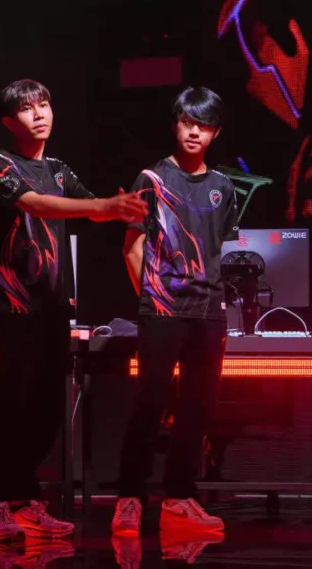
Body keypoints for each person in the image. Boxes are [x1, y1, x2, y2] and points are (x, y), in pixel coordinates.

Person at [0, 79, 149, 542]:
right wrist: (101, 205)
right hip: (13, 302)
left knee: (44, 409)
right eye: (27, 108)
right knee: (7, 404)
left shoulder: (58, 169)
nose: (39, 114)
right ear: (8, 121)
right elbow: (36, 205)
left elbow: (90, 209)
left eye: (44, 105)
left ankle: (25, 500)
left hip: (53, 304)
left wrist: (124, 210)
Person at [111, 86, 238, 538]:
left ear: (215, 132)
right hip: (162, 312)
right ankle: (129, 498)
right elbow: (132, 246)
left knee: (196, 411)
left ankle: (180, 500)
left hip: (209, 314)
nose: (194, 132)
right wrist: (154, 296)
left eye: (204, 125)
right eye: (187, 122)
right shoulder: (151, 178)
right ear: (175, 125)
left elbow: (217, 249)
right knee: (149, 405)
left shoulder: (224, 187)